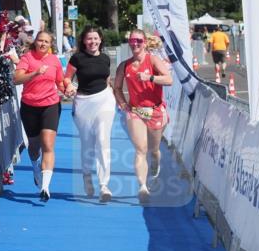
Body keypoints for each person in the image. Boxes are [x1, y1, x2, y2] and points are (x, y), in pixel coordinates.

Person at [113, 29, 173, 204]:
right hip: (136, 111)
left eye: (138, 41)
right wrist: (123, 103)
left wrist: (150, 77)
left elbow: (169, 80)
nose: (135, 44)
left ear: (145, 42)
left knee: (153, 150)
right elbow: (116, 87)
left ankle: (155, 165)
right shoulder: (124, 65)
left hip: (155, 110)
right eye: (132, 41)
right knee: (141, 149)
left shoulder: (153, 60)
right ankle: (142, 186)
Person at [14, 30, 67, 202]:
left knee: (48, 145)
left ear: (50, 44)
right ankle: (36, 168)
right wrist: (35, 73)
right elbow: (16, 79)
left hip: (50, 105)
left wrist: (67, 87)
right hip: (30, 106)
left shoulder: (54, 61)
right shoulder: (27, 58)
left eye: (46, 41)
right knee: (34, 145)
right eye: (40, 40)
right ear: (35, 42)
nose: (43, 44)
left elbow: (60, 81)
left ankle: (45, 187)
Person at [64, 26, 115, 202]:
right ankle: (87, 175)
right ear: (84, 41)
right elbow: (66, 78)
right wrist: (69, 86)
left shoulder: (105, 58)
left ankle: (104, 185)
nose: (93, 42)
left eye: (96, 38)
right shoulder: (77, 58)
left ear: (100, 39)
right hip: (84, 102)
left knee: (102, 139)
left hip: (105, 100)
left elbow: (107, 80)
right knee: (88, 143)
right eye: (89, 39)